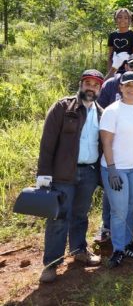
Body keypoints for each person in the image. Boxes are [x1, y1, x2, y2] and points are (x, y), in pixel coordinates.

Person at [37, 69, 104, 283]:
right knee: (59, 218)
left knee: (80, 215)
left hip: (89, 172)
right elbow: (47, 143)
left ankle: (78, 251)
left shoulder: (101, 113)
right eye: (88, 83)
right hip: (63, 173)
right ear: (81, 84)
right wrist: (44, 174)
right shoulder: (62, 107)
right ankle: (51, 264)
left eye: (95, 84)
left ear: (100, 88)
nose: (91, 87)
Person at [95, 53, 133, 244]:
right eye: (128, 85)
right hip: (116, 168)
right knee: (119, 211)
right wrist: (111, 169)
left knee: (131, 208)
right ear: (120, 87)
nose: (132, 89)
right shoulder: (112, 111)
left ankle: (128, 242)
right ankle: (118, 248)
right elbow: (106, 142)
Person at [106, 8, 133, 79]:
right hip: (114, 71)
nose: (122, 20)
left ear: (130, 20)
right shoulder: (112, 35)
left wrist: (132, 73)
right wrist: (110, 72)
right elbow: (110, 56)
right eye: (120, 17)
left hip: (128, 71)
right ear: (115, 19)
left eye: (126, 18)